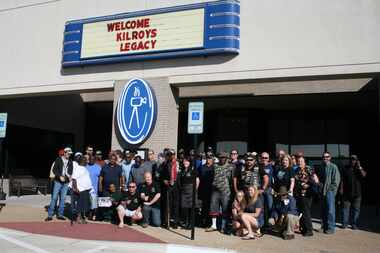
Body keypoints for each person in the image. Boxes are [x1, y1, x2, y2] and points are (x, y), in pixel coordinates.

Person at [206, 152, 233, 234]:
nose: (222, 159)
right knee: (213, 207)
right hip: (215, 191)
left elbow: (232, 179)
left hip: (225, 191)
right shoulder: (215, 165)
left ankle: (223, 227)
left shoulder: (230, 167)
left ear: (226, 158)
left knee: (225, 209)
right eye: (221, 157)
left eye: (224, 157)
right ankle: (214, 225)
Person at [45, 147, 73, 221]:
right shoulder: (58, 160)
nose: (69, 155)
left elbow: (70, 170)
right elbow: (54, 170)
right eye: (68, 153)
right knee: (54, 198)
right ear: (65, 152)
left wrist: (69, 176)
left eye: (70, 154)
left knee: (63, 199)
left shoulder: (70, 161)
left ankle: (60, 214)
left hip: (66, 182)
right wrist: (59, 176)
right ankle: (50, 215)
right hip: (58, 181)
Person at [294, 155, 319, 236]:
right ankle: (303, 228)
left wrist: (309, 185)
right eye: (298, 161)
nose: (299, 163)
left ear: (304, 162)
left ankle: (309, 230)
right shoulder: (297, 170)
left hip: (307, 194)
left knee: (306, 211)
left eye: (301, 161)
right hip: (299, 193)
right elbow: (296, 181)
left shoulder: (309, 169)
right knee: (301, 211)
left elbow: (315, 179)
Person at [341, 154, 366, 230]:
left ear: (357, 160)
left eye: (354, 159)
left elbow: (364, 175)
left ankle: (354, 224)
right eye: (351, 159)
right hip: (346, 192)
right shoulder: (345, 168)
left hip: (357, 193)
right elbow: (342, 179)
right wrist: (341, 189)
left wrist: (359, 167)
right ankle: (345, 223)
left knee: (356, 210)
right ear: (349, 160)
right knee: (345, 209)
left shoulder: (359, 169)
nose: (353, 161)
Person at [319, 152, 341, 234]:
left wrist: (331, 190)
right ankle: (324, 227)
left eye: (327, 156)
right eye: (323, 157)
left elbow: (336, 181)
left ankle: (331, 228)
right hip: (322, 191)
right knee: (323, 210)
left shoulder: (333, 167)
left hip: (329, 192)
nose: (325, 158)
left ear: (330, 157)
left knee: (330, 210)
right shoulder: (321, 167)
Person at [178, 157, 200, 229]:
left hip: (191, 190)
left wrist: (195, 190)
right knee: (185, 208)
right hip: (184, 190)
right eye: (184, 161)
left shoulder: (193, 170)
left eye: (187, 161)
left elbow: (197, 180)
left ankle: (191, 224)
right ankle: (186, 223)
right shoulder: (182, 170)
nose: (185, 163)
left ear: (190, 162)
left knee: (191, 208)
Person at [70, 156, 93, 224]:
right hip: (80, 189)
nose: (87, 162)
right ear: (82, 161)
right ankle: (78, 218)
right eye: (86, 160)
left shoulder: (84, 168)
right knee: (80, 205)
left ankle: (82, 218)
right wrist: (75, 188)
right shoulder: (78, 168)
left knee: (84, 205)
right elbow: (74, 179)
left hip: (85, 189)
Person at [161, 149, 180, 228]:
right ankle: (167, 221)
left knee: (175, 204)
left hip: (176, 185)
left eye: (172, 154)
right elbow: (162, 175)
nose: (171, 156)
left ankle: (175, 222)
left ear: (174, 155)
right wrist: (164, 180)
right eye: (169, 154)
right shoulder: (165, 164)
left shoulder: (178, 163)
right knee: (168, 204)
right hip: (168, 185)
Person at [199, 154, 214, 228]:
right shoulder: (202, 167)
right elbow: (198, 178)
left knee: (211, 207)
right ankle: (203, 222)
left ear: (212, 159)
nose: (209, 159)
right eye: (207, 158)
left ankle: (209, 223)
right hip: (203, 190)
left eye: (210, 158)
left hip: (212, 190)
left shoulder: (214, 167)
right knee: (204, 207)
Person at [259, 152, 273, 227]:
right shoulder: (258, 166)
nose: (264, 159)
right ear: (260, 158)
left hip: (269, 189)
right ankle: (261, 225)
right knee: (260, 208)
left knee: (270, 206)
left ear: (268, 159)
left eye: (266, 158)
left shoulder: (272, 167)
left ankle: (269, 224)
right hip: (260, 189)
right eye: (263, 157)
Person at [86, 155, 101, 221]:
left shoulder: (98, 167)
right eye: (90, 159)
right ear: (88, 159)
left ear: (95, 160)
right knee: (87, 202)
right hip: (86, 188)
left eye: (93, 159)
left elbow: (101, 178)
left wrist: (100, 187)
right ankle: (88, 214)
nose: (91, 160)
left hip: (95, 189)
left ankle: (93, 215)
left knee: (94, 203)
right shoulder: (85, 167)